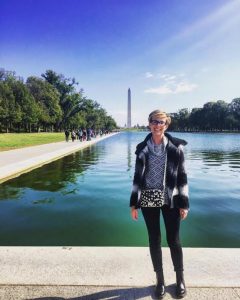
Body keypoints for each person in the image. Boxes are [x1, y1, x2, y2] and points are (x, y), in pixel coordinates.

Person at [130, 110, 189, 299]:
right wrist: (134, 203)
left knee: (174, 240)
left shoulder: (176, 148)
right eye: (154, 122)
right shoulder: (141, 149)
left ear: (166, 125)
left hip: (170, 199)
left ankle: (180, 278)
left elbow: (182, 176)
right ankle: (160, 280)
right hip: (148, 199)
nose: (157, 125)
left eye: (161, 122)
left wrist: (184, 203)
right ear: (149, 124)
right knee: (154, 240)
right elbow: (137, 177)